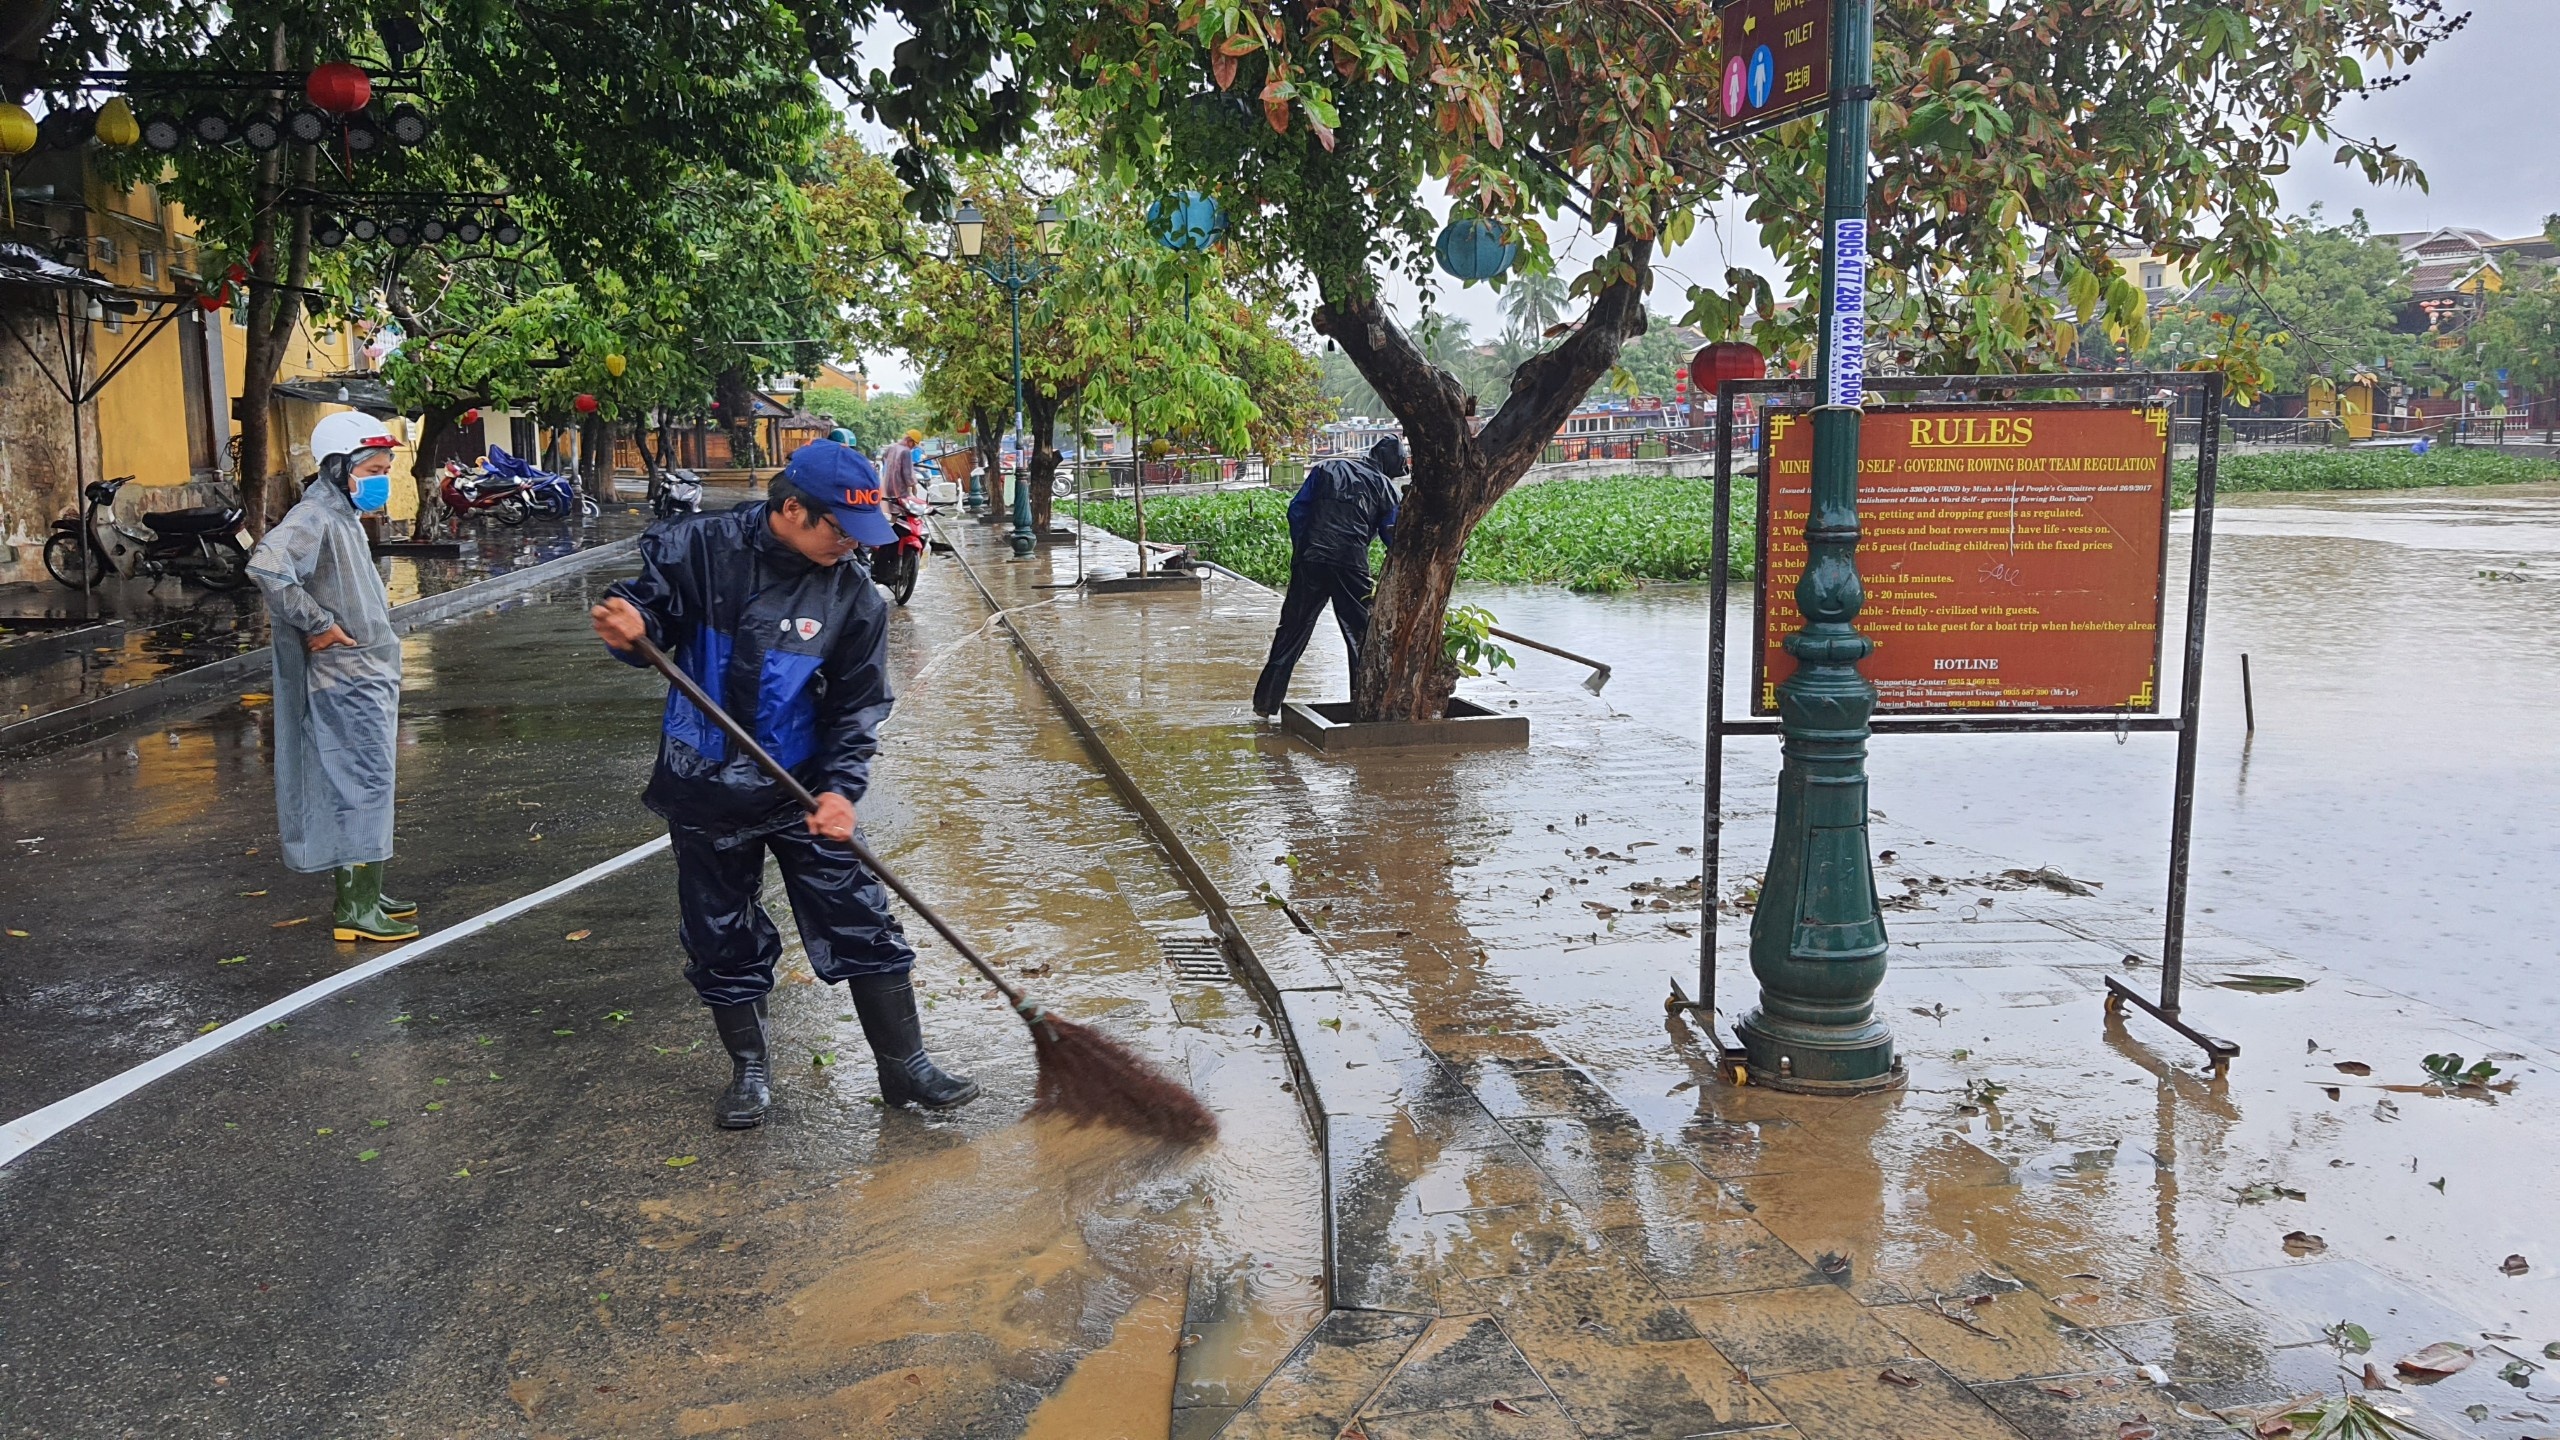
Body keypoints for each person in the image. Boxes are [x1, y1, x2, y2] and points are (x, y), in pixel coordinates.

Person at [588, 439, 979, 1130]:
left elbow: (858, 706)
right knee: (721, 934)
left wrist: (840, 790)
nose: (850, 546)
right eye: (838, 529)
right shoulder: (699, 547)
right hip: (703, 785)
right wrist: (630, 624)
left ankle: (905, 1066)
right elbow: (646, 612)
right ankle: (750, 1072)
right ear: (792, 509)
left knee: (862, 918)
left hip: (801, 788)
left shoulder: (853, 594)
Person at [246, 412, 420, 943]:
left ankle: (368, 884)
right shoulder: (315, 517)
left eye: (386, 467)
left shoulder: (342, 515)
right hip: (346, 678)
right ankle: (356, 909)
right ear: (340, 468)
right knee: (361, 784)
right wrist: (319, 625)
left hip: (363, 672)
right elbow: (267, 566)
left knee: (369, 782)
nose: (381, 478)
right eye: (373, 467)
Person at [1251, 434, 1407, 718]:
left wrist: (1304, 549)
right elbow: (1391, 533)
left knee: (1291, 631)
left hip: (1310, 559)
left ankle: (1265, 703)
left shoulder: (1326, 468)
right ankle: (1364, 710)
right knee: (1360, 637)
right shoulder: (1386, 487)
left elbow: (1297, 510)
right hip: (1351, 564)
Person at [882, 429, 922, 504]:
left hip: (888, 485)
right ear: (910, 440)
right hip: (899, 487)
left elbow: (884, 458)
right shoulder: (906, 451)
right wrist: (913, 486)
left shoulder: (892, 447)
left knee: (894, 511)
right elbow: (907, 473)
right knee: (907, 509)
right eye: (913, 444)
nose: (913, 447)